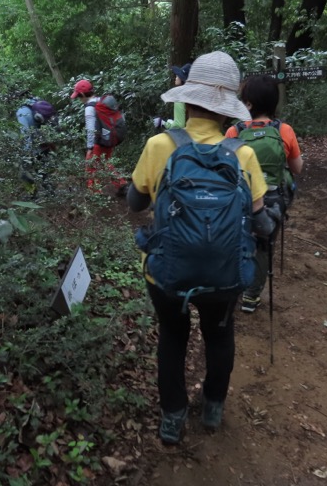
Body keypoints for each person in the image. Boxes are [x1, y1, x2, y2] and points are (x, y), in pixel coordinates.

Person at [126, 51, 278, 444]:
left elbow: (135, 203)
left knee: (173, 337)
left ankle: (172, 417)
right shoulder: (242, 154)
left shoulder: (159, 145)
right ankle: (212, 409)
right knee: (219, 335)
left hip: (167, 270)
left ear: (187, 100)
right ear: (228, 109)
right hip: (226, 272)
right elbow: (260, 222)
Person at [225, 75, 304, 313]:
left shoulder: (233, 131)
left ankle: (232, 285)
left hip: (240, 198)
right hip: (273, 199)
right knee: (263, 244)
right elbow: (297, 168)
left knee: (237, 239)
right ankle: (251, 296)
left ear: (247, 103)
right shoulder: (284, 130)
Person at [69, 79, 126, 193]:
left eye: (79, 96)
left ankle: (94, 194)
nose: (79, 99)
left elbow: (91, 130)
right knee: (105, 163)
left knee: (91, 168)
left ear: (83, 94)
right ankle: (121, 184)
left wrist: (90, 148)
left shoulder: (89, 108)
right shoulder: (101, 101)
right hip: (109, 139)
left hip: (98, 142)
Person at [152, 62, 191, 131]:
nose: (176, 78)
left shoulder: (180, 97)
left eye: (178, 76)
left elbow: (179, 126)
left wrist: (163, 123)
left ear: (182, 79)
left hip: (188, 137)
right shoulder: (194, 95)